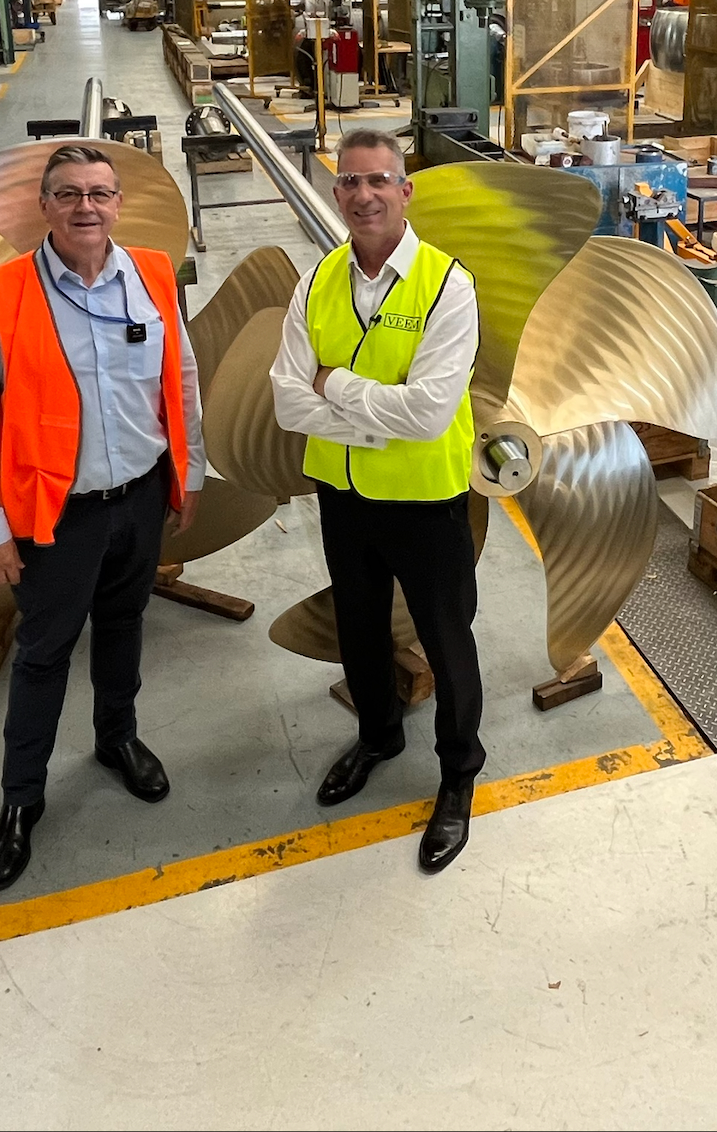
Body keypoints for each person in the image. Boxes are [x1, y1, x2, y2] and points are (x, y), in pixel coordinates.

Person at [0, 144, 204, 893]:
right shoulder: (0, 294)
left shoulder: (152, 275)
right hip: (55, 514)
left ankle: (117, 740)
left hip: (141, 496)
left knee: (124, 626)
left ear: (118, 203)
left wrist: (188, 473)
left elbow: (182, 377)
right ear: (45, 207)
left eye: (98, 192)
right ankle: (22, 798)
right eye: (68, 194)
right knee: (44, 653)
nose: (85, 206)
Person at [270, 129, 484, 874]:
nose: (364, 195)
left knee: (447, 641)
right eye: (350, 182)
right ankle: (378, 736)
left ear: (405, 191)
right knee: (358, 630)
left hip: (426, 501)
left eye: (379, 180)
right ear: (337, 193)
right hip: (344, 495)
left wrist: (331, 383)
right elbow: (285, 401)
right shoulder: (317, 281)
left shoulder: (447, 286)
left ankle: (458, 774)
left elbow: (428, 414)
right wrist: (369, 411)